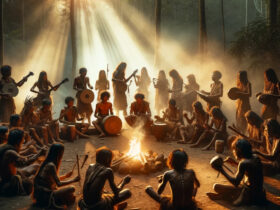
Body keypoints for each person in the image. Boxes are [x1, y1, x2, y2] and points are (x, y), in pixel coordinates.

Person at [207, 139, 266, 206]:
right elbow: (249, 169)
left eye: (234, 150)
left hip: (249, 194)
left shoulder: (243, 163)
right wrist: (235, 163)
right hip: (260, 192)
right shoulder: (256, 157)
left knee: (216, 187)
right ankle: (224, 196)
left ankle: (224, 197)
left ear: (239, 150)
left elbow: (235, 182)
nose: (233, 152)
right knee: (222, 187)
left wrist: (221, 170)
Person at [0, 129, 46, 196]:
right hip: (9, 180)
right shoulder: (10, 152)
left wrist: (33, 155)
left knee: (36, 167)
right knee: (32, 182)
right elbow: (25, 163)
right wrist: (39, 154)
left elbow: (21, 158)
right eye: (23, 139)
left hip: (14, 173)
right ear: (19, 140)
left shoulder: (7, 146)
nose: (24, 141)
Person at [33, 144, 80, 208]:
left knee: (70, 194)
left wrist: (66, 176)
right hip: (46, 195)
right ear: (58, 154)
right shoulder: (51, 165)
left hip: (41, 194)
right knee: (72, 188)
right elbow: (59, 184)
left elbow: (52, 180)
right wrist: (74, 180)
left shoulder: (47, 162)